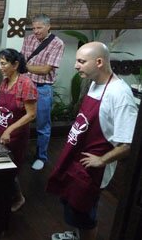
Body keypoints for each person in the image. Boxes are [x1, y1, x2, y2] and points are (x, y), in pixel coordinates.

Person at [47, 42, 137, 240]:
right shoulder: (95, 83)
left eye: (81, 61)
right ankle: (76, 235)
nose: (75, 66)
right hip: (75, 158)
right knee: (71, 205)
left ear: (99, 62)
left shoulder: (119, 95)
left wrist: (102, 160)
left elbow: (129, 143)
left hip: (92, 170)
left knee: (85, 214)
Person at [0, 49, 37, 212]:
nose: (0, 67)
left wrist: (10, 130)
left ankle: (19, 198)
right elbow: (3, 106)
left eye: (3, 63)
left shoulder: (26, 83)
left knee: (11, 168)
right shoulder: (5, 81)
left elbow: (31, 115)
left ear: (15, 64)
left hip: (16, 135)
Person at [21, 13, 65, 170]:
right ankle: (19, 151)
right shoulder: (29, 39)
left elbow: (45, 70)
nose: (36, 31)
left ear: (48, 26)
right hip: (25, 84)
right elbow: (21, 60)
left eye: (39, 28)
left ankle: (41, 156)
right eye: (33, 28)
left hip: (43, 88)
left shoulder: (57, 43)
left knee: (42, 125)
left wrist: (24, 67)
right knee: (20, 120)